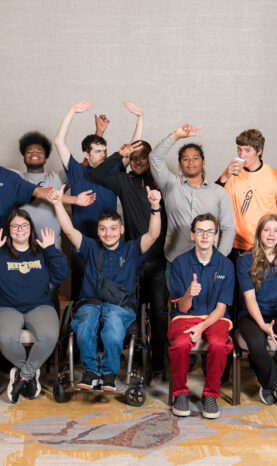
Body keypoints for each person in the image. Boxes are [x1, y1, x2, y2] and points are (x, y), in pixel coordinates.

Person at [48, 184, 162, 391]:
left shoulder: (131, 250)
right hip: (90, 303)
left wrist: (155, 207)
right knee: (84, 326)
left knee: (113, 327)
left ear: (121, 229)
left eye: (112, 228)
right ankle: (91, 371)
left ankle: (109, 373)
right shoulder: (91, 247)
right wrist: (57, 203)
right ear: (98, 231)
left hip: (120, 306)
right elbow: (68, 230)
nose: (108, 233)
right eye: (103, 229)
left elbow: (153, 235)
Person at [0, 209, 69, 403]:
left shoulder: (42, 250)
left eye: (24, 225)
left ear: (30, 228)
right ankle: (30, 375)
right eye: (14, 226)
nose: (19, 229)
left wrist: (51, 250)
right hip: (4, 307)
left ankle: (23, 376)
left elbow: (62, 276)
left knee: (49, 336)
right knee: (6, 338)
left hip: (39, 306)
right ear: (8, 229)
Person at [91, 140, 169, 373]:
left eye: (142, 157)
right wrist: (119, 154)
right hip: (134, 259)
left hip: (159, 260)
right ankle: (135, 356)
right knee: (131, 310)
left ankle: (157, 362)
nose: (136, 162)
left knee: (158, 311)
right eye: (132, 158)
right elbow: (98, 174)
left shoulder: (161, 182)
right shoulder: (125, 181)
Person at [54, 100, 143, 300]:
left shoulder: (113, 169)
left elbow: (132, 148)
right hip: (82, 245)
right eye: (98, 152)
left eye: (104, 151)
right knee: (81, 296)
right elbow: (59, 142)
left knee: (110, 294)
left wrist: (139, 118)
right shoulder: (77, 171)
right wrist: (71, 111)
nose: (103, 155)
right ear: (86, 154)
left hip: (109, 246)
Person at [148, 124, 235, 282]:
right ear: (180, 164)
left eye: (195, 158)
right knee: (179, 305)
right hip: (176, 260)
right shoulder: (170, 184)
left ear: (203, 161)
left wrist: (219, 258)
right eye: (185, 159)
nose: (191, 162)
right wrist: (175, 135)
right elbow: (154, 158)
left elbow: (228, 227)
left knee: (210, 305)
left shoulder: (218, 192)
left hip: (209, 263)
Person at [169, 213, 234, 419]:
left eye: (210, 231)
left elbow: (221, 309)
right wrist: (188, 293)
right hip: (185, 318)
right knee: (180, 344)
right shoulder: (179, 263)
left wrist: (202, 327)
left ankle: (210, 395)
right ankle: (179, 393)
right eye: (199, 231)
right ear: (192, 235)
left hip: (215, 318)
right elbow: (183, 308)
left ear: (216, 236)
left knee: (218, 344)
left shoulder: (226, 265)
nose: (205, 236)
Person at [237, 214, 277, 411]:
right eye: (267, 230)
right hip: (252, 315)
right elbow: (249, 299)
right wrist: (263, 325)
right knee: (257, 345)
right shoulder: (246, 259)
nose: (271, 234)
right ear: (259, 233)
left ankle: (267, 382)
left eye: (276, 230)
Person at [217, 129, 277, 253]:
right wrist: (225, 176)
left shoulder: (275, 176)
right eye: (239, 149)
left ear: (259, 151)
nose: (241, 155)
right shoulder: (231, 172)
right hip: (232, 243)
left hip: (262, 246)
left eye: (247, 150)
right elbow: (213, 198)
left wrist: (271, 237)